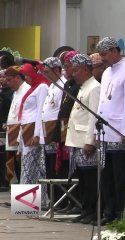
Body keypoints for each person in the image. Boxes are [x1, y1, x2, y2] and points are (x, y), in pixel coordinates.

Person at [95, 37, 125, 225]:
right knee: (106, 175)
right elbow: (102, 102)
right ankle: (109, 211)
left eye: (104, 54)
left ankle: (120, 211)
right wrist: (96, 132)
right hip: (104, 131)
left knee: (119, 176)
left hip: (119, 131)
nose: (103, 58)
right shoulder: (106, 73)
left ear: (115, 50)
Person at [65, 53, 100, 224]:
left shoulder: (94, 87)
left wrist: (90, 141)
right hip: (77, 141)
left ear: (86, 69)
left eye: (76, 70)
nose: (73, 74)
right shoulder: (83, 86)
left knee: (90, 179)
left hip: (85, 142)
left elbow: (93, 117)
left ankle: (92, 211)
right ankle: (85, 210)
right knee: (83, 179)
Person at [52, 50, 81, 214]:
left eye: (69, 66)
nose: (66, 70)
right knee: (62, 170)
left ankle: (74, 201)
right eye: (65, 66)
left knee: (73, 170)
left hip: (72, 131)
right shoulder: (66, 84)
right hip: (61, 131)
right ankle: (66, 201)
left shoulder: (78, 85)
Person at [18, 63, 50, 207]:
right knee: (27, 165)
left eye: (26, 75)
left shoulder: (42, 87)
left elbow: (40, 112)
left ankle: (31, 204)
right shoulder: (33, 89)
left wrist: (37, 133)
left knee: (34, 166)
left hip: (33, 131)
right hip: (26, 129)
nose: (25, 79)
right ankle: (26, 204)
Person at [41, 57, 67, 191]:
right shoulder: (52, 85)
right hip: (46, 131)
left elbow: (59, 112)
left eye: (47, 71)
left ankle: (57, 198)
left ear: (57, 70)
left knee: (56, 167)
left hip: (55, 131)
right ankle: (52, 198)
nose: (45, 74)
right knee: (49, 166)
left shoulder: (63, 85)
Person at [4, 66, 30, 184]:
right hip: (13, 133)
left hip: (23, 134)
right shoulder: (16, 92)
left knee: (23, 167)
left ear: (18, 77)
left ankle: (25, 200)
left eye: (9, 80)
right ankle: (18, 197)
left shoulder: (27, 90)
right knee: (16, 166)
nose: (7, 83)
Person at [0, 70, 14, 190]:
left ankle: (8, 183)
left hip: (24, 132)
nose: (2, 80)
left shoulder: (39, 88)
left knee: (11, 158)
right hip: (12, 128)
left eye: (7, 78)